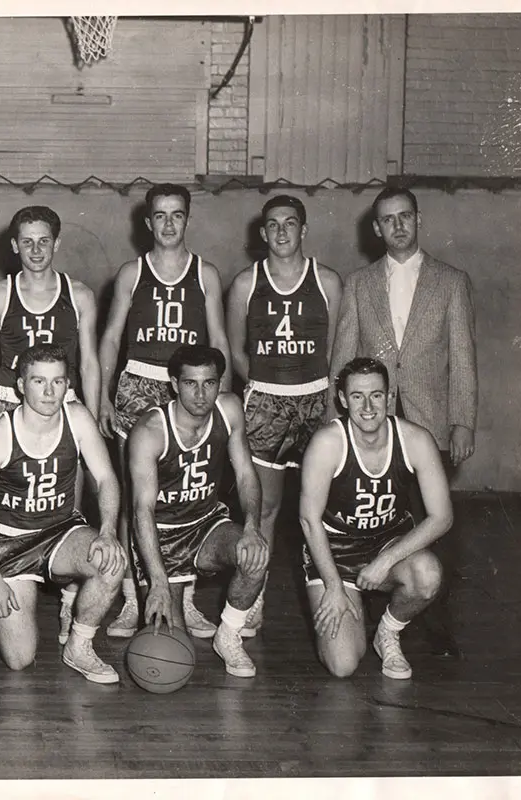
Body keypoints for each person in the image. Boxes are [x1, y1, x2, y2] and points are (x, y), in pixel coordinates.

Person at [329, 187, 476, 658]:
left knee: (433, 523)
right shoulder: (359, 282)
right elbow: (343, 359)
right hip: (372, 424)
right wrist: (336, 425)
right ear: (376, 228)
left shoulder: (451, 281)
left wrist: (462, 421)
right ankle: (378, 611)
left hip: (432, 421)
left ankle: (431, 625)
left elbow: (463, 357)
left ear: (418, 219)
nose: (397, 225)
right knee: (376, 516)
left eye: (405, 216)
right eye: (388, 219)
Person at [97, 183, 232, 639]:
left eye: (177, 214)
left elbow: (219, 340)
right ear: (147, 222)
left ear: (187, 219)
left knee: (190, 493)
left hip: (192, 387)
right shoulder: (131, 273)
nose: (169, 223)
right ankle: (131, 598)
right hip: (139, 382)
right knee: (132, 497)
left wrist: (223, 400)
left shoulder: (206, 273)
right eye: (160, 215)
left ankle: (184, 596)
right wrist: (104, 396)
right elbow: (111, 337)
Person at [0, 205, 100, 644]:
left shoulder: (79, 295)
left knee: (68, 502)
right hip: (10, 402)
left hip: (62, 403)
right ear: (14, 246)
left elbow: (90, 362)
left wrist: (90, 414)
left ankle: (70, 600)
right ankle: (1, 594)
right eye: (26, 241)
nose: (36, 249)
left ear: (56, 243)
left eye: (44, 240)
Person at [0, 344, 126, 683]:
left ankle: (79, 645)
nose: (49, 391)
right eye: (39, 381)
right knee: (19, 660)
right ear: (20, 385)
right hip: (10, 543)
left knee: (111, 561)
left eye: (57, 382)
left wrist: (108, 531)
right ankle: (12, 618)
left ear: (67, 384)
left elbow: (106, 478)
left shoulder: (77, 418)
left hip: (60, 531)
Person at [225, 195, 342, 637]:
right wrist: (261, 386)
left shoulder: (327, 281)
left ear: (303, 230)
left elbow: (335, 350)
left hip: (316, 400)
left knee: (321, 508)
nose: (281, 232)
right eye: (272, 224)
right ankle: (253, 598)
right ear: (262, 233)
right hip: (266, 403)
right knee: (265, 508)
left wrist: (323, 397)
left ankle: (331, 593)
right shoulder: (245, 283)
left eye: (290, 223)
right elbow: (235, 350)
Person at [299, 357, 452, 680]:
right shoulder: (327, 443)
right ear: (343, 399)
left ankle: (388, 632)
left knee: (427, 574)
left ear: (390, 396)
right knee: (342, 665)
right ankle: (349, 601)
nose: (368, 407)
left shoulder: (415, 440)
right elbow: (309, 520)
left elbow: (442, 517)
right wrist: (333, 586)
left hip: (388, 545)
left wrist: (386, 561)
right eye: (357, 396)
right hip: (335, 554)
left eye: (376, 395)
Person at [128, 345, 268, 677]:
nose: (201, 394)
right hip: (161, 535)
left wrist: (252, 527)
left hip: (206, 523)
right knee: (172, 654)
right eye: (191, 383)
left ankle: (228, 635)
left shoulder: (229, 410)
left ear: (220, 382)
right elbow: (142, 510)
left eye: (210, 383)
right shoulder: (150, 431)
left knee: (254, 555)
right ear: (174, 384)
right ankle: (175, 594)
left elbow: (246, 475)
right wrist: (158, 582)